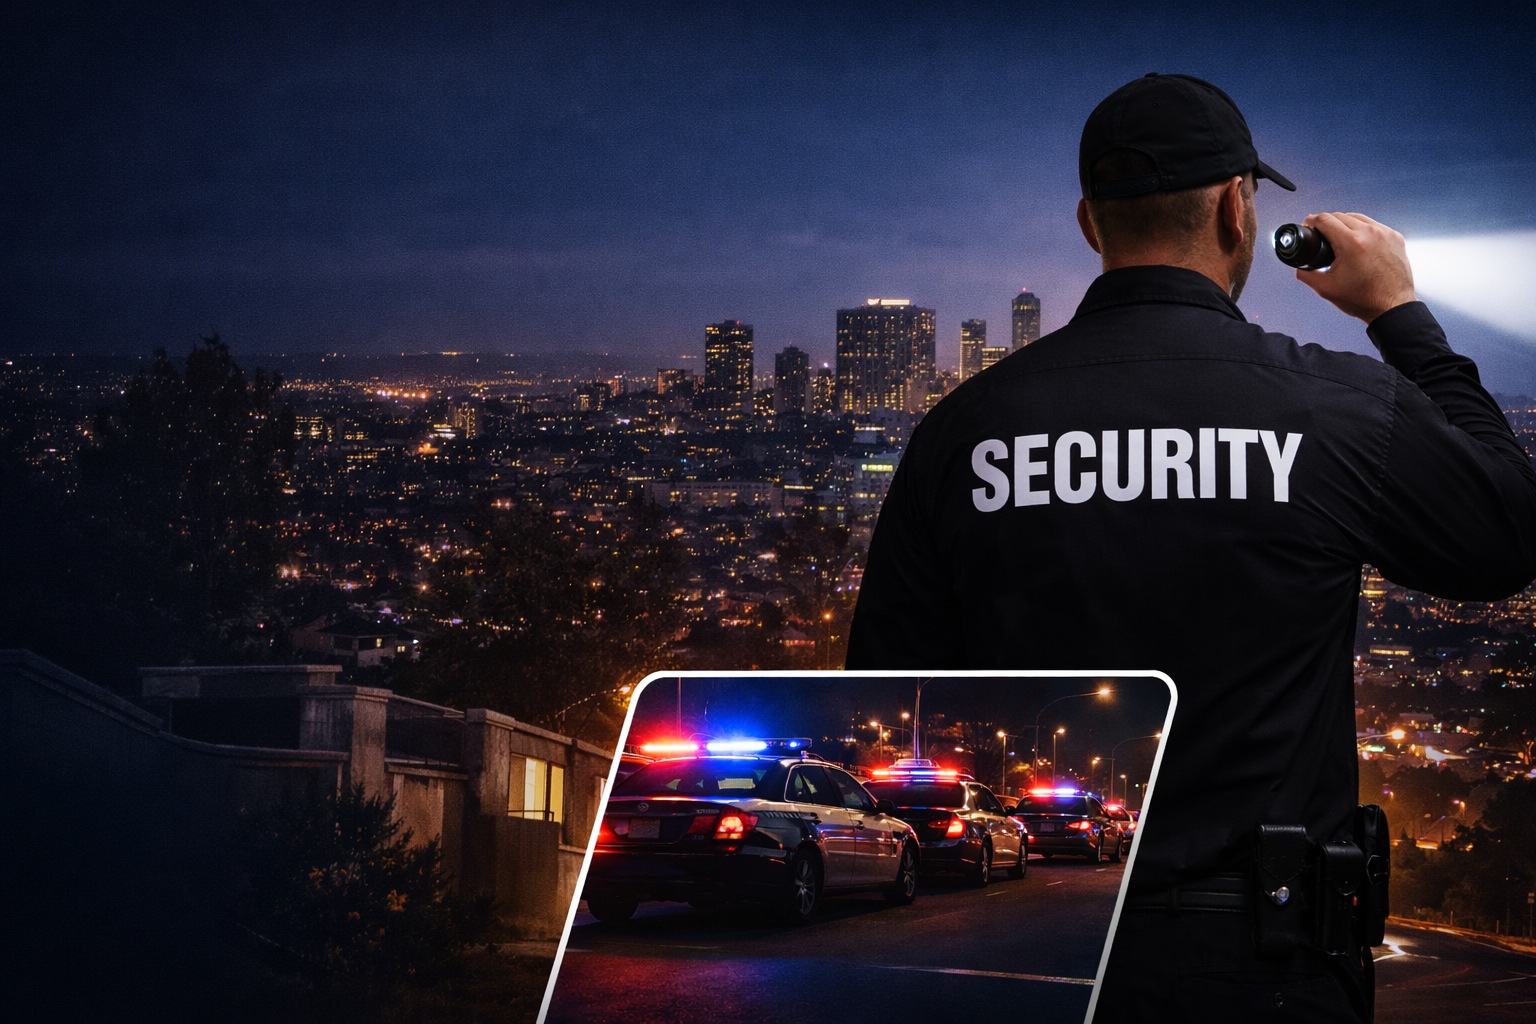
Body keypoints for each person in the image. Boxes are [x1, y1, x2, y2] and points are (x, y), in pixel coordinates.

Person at [845, 72, 1536, 1020]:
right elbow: (1508, 535)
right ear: (1237, 208)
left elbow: (888, 676)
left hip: (1033, 955)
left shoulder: (963, 430)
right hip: (1270, 964)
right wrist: (1399, 315)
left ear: (1090, 223)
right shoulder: (1336, 410)